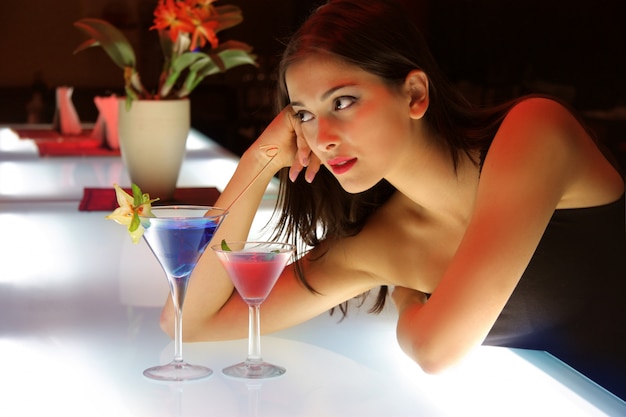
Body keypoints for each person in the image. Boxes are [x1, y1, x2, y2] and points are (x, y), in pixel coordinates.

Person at [161, 0, 626, 399]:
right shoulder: (379, 242)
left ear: (415, 94)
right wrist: (258, 159)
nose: (321, 138)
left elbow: (435, 350)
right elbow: (190, 321)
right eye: (303, 114)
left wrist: (406, 296)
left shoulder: (534, 131)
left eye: (342, 102)